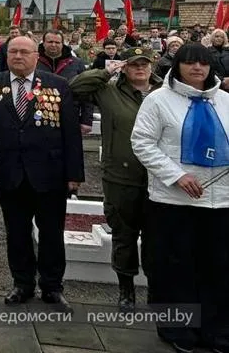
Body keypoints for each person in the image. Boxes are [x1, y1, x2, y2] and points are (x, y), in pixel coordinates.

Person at [131, 43, 229, 353]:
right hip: (173, 201)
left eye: (203, 63)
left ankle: (216, 330)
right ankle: (178, 329)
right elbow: (143, 143)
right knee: (176, 267)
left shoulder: (225, 101)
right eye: (190, 63)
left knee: (218, 267)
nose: (197, 69)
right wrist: (177, 176)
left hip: (220, 201)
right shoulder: (158, 100)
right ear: (178, 66)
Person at [0, 35, 84, 311]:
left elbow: (71, 134)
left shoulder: (58, 86)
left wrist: (74, 174)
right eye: (13, 52)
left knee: (51, 233)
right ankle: (22, 283)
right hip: (10, 172)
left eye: (24, 52)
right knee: (16, 232)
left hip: (49, 174)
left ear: (36, 56)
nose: (18, 57)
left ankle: (52, 286)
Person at [70, 47, 159, 312]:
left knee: (158, 239)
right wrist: (105, 70)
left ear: (152, 67)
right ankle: (126, 289)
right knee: (124, 236)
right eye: (133, 65)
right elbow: (76, 87)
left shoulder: (164, 93)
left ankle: (156, 289)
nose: (140, 69)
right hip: (121, 176)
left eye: (144, 64)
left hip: (159, 179)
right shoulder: (109, 91)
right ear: (125, 67)